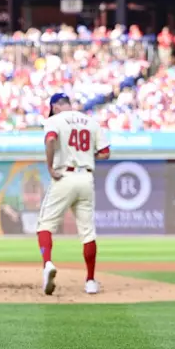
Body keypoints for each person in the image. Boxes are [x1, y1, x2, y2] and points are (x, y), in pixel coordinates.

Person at [36, 93, 110, 296]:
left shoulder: (54, 120)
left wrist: (50, 168)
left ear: (55, 106)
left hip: (64, 176)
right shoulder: (91, 121)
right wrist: (86, 156)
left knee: (45, 225)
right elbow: (105, 153)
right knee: (88, 233)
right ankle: (91, 280)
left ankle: (48, 264)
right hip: (86, 177)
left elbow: (50, 140)